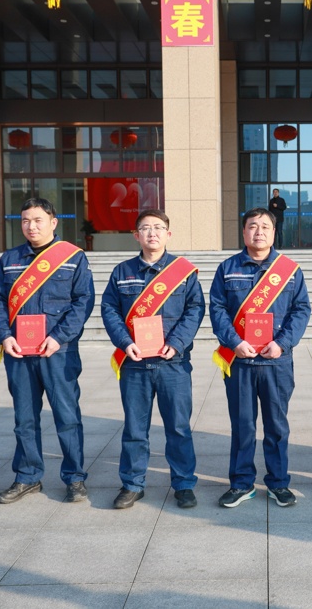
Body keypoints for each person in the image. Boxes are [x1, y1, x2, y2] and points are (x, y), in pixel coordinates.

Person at [0, 198, 95, 504]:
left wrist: (59, 337)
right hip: (19, 353)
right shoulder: (9, 259)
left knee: (67, 416)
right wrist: (4, 336)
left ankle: (74, 478)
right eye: (25, 221)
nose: (31, 226)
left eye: (37, 220)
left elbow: (83, 301)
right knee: (24, 419)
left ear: (53, 222)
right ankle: (27, 476)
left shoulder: (72, 257)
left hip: (58, 352)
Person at [101, 210, 204, 510]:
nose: (152, 233)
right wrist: (125, 343)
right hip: (135, 364)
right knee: (135, 429)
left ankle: (184, 484)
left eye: (158, 227)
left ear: (168, 234)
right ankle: (133, 484)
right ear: (136, 235)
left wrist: (177, 342)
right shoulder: (122, 272)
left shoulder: (183, 272)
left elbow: (195, 309)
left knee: (179, 427)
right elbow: (109, 309)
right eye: (145, 228)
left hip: (173, 363)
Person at [209, 208, 311, 508]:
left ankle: (278, 483)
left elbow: (301, 310)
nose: (259, 232)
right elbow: (217, 309)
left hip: (276, 361)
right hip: (240, 360)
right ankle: (241, 484)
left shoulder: (289, 270)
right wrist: (235, 342)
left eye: (265, 226)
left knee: (277, 426)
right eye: (253, 226)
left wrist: (282, 343)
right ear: (244, 232)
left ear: (274, 232)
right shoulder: (227, 268)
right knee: (242, 425)